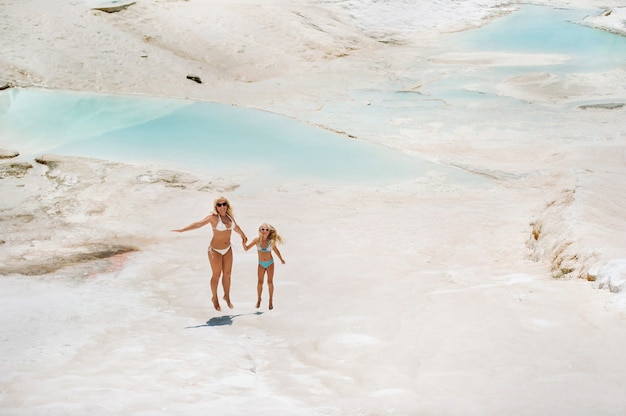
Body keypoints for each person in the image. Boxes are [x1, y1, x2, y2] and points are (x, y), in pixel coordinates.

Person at [172, 196, 247, 311]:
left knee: (227, 274)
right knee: (216, 275)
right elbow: (198, 224)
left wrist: (242, 234)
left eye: (224, 204)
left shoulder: (229, 218)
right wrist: (183, 230)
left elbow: (236, 227)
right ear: (216, 207)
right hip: (215, 250)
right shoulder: (213, 218)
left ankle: (226, 296)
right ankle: (215, 298)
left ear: (227, 206)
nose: (222, 207)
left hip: (227, 249)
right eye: (219, 205)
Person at [242, 223, 285, 310]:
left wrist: (281, 259)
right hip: (261, 264)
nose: (264, 231)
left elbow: (276, 251)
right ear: (259, 230)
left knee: (270, 282)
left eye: (267, 230)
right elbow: (246, 249)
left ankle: (270, 301)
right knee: (260, 282)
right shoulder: (257, 240)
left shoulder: (271, 242)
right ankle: (259, 299)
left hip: (270, 263)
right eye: (263, 229)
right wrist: (243, 243)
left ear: (269, 232)